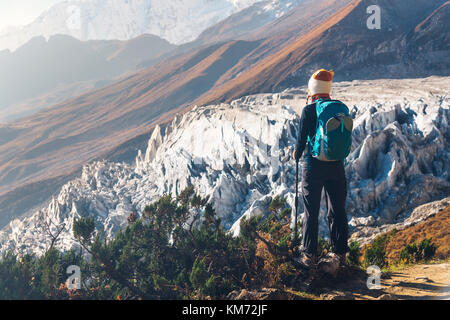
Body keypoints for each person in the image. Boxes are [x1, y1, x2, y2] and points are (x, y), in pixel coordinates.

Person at [292, 69, 349, 270]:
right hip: (336, 165)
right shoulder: (340, 107)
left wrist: (296, 154)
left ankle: (309, 256)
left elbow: (300, 143)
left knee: (311, 210)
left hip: (314, 166)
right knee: (337, 209)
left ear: (312, 89)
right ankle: (340, 254)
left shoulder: (309, 110)